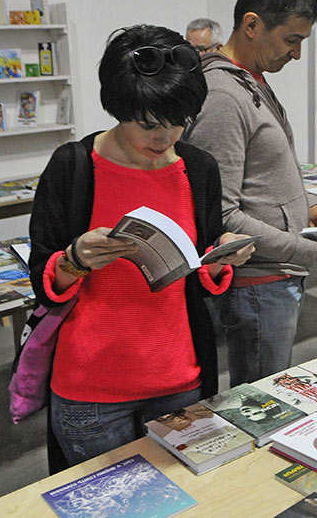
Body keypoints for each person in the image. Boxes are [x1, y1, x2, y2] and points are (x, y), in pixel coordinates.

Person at [29, 24, 254, 470]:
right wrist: (74, 260)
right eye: (149, 124)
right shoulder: (74, 167)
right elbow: (42, 277)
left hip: (179, 379)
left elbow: (198, 278)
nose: (164, 138)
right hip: (92, 390)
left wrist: (220, 259)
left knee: (193, 496)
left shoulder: (198, 169)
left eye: (178, 122)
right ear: (119, 108)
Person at [184, 0, 317, 388]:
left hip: (276, 274)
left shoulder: (251, 81)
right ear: (252, 25)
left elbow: (270, 171)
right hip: (257, 281)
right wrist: (315, 251)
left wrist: (314, 206)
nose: (297, 54)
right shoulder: (221, 96)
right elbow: (222, 215)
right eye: (291, 40)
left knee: (270, 390)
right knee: (260, 398)